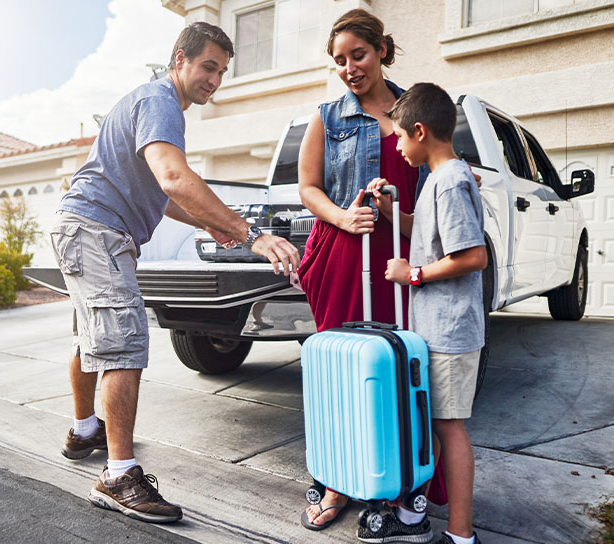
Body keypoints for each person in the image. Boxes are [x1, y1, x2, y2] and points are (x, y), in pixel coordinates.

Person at [50, 21, 300, 525]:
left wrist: (215, 224)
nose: (215, 80)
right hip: (97, 230)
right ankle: (119, 476)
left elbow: (162, 194)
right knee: (123, 344)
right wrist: (251, 235)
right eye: (208, 66)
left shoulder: (151, 104)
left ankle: (85, 430)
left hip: (83, 227)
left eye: (222, 72)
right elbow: (174, 177)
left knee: (95, 337)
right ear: (179, 59)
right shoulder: (160, 100)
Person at [296, 8, 428, 538]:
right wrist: (343, 217)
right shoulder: (327, 117)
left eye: (359, 55)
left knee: (398, 369)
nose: (349, 68)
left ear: (381, 51)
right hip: (342, 254)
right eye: (340, 60)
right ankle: (336, 481)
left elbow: (437, 174)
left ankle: (396, 479)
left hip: (400, 257)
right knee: (341, 370)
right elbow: (308, 188)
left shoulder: (416, 108)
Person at [385, 82, 487, 544]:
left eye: (400, 137)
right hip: (436, 328)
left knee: (449, 427)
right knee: (431, 424)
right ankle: (412, 516)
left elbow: (472, 256)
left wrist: (413, 274)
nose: (398, 147)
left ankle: (462, 536)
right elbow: (427, 233)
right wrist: (391, 211)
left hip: (451, 330)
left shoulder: (449, 181)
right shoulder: (438, 179)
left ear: (420, 131)